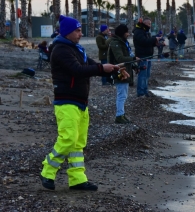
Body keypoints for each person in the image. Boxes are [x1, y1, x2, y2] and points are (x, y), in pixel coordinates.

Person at [39, 15, 125, 191]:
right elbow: (78, 70)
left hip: (81, 103)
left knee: (78, 143)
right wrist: (103, 68)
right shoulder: (61, 50)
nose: (81, 33)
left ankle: (77, 179)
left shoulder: (77, 49)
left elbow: (93, 66)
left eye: (80, 30)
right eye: (77, 30)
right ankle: (47, 170)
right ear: (67, 32)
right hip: (66, 102)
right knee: (68, 138)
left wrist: (115, 71)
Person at [107, 24, 140, 124]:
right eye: (127, 32)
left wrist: (134, 66)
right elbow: (120, 59)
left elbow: (128, 56)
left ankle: (122, 114)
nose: (128, 34)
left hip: (126, 71)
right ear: (122, 33)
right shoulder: (115, 43)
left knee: (124, 94)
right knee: (121, 94)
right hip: (119, 72)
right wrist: (134, 59)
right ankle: (119, 116)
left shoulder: (124, 42)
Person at [133, 17, 161, 97]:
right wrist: (154, 39)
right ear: (144, 24)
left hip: (148, 56)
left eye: (150, 24)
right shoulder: (138, 32)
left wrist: (156, 43)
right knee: (142, 75)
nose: (150, 25)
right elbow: (143, 42)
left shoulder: (146, 32)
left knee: (147, 75)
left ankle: (145, 91)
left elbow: (148, 43)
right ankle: (140, 92)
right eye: (148, 24)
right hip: (142, 56)